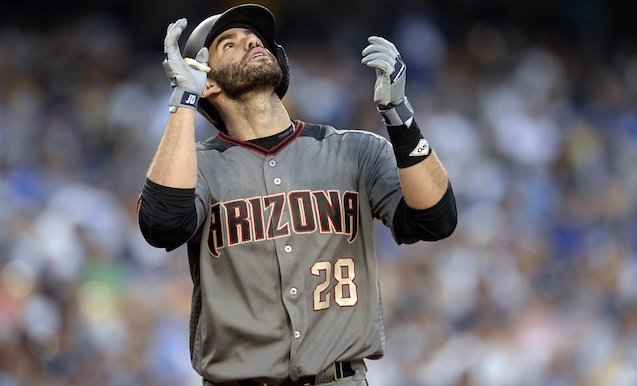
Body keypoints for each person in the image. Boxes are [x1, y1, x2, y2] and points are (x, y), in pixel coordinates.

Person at [137, 3, 457, 385]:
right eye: (230, 44)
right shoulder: (199, 168)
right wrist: (183, 101)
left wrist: (400, 117)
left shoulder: (354, 150)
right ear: (207, 82)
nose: (252, 41)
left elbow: (436, 218)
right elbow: (161, 225)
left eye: (255, 38)